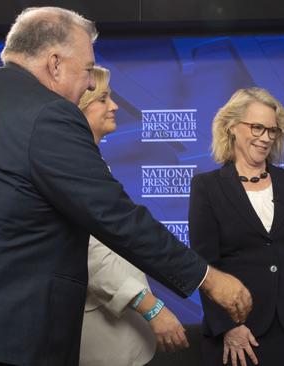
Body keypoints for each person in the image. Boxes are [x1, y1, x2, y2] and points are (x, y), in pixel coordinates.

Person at [0, 7, 251, 366]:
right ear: (55, 63)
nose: (91, 83)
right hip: (17, 339)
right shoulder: (50, 114)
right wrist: (207, 278)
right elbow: (114, 216)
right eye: (88, 69)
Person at [188, 87, 284, 366]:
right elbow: (204, 265)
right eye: (257, 127)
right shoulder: (206, 187)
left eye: (272, 131)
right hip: (240, 331)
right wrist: (227, 326)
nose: (265, 138)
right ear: (232, 126)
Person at [78, 66, 188, 366]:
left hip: (123, 337)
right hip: (100, 342)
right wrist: (151, 307)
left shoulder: (93, 163)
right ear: (79, 106)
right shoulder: (75, 169)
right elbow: (89, 253)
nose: (114, 106)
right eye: (103, 98)